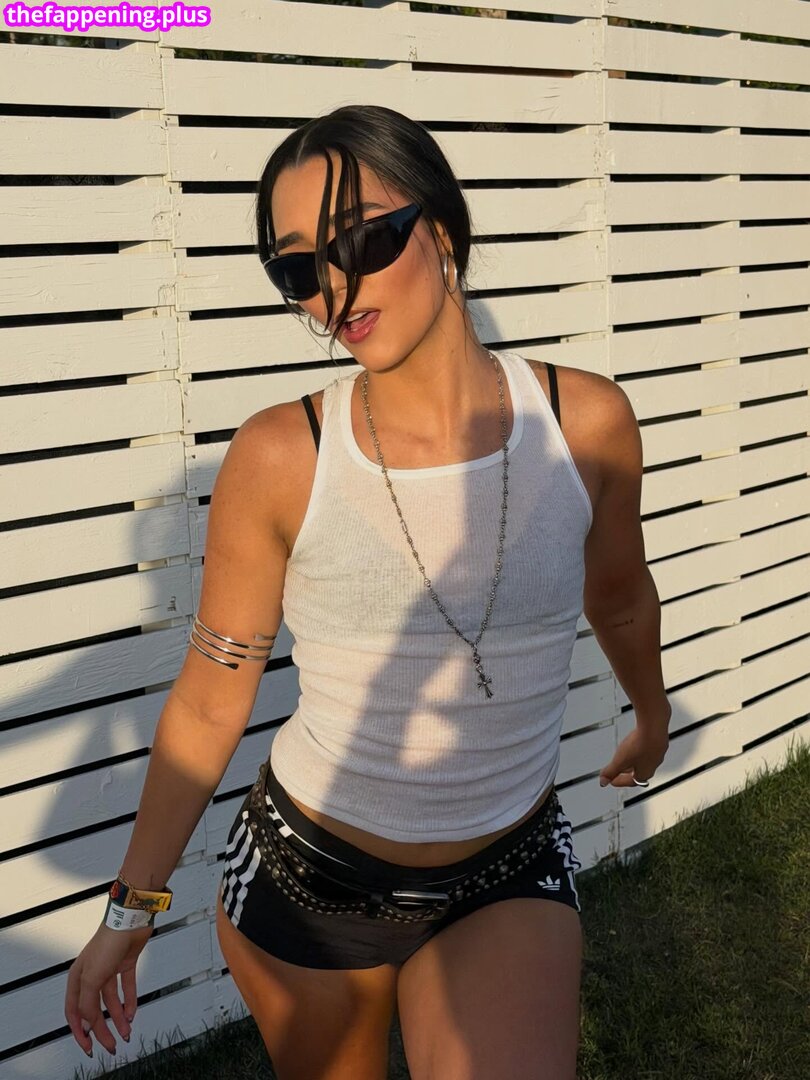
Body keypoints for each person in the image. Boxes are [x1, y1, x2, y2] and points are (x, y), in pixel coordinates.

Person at [65, 103, 671, 1079]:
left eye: (362, 240)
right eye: (298, 268)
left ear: (442, 227)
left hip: (508, 864)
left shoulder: (585, 422)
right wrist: (130, 911)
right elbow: (212, 697)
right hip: (309, 887)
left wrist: (650, 713)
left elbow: (623, 595)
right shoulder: (282, 455)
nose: (333, 289)